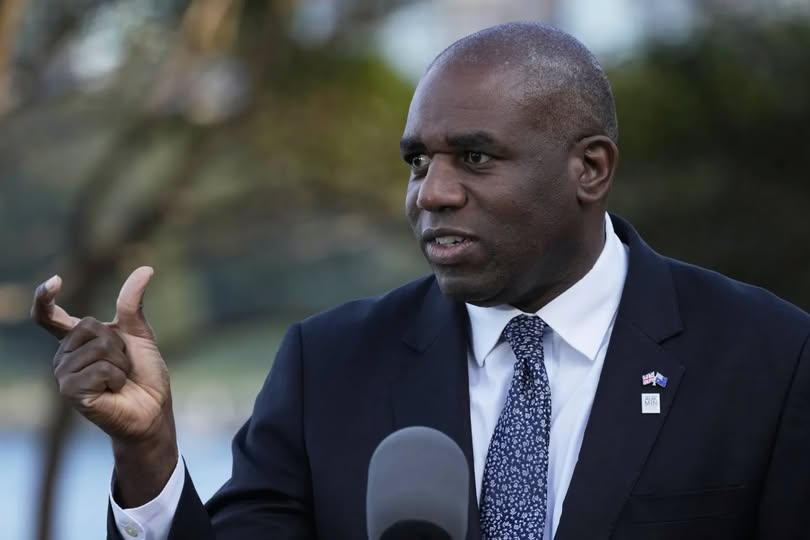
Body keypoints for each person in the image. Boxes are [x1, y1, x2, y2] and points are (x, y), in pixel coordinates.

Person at [32, 22, 809, 540]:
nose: (430, 193)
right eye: (417, 161)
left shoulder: (770, 359)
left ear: (590, 168)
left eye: (474, 157)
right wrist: (149, 453)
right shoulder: (327, 366)